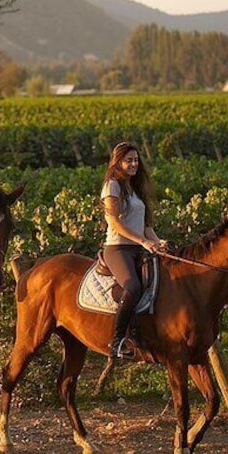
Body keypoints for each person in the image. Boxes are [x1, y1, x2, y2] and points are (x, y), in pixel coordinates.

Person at [101, 141, 165, 359]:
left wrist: (157, 241)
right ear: (117, 162)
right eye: (129, 160)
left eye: (136, 160)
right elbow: (115, 223)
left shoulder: (135, 189)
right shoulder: (112, 185)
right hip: (118, 249)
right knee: (133, 287)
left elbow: (146, 226)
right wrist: (143, 242)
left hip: (139, 247)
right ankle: (117, 341)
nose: (134, 164)